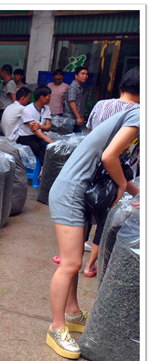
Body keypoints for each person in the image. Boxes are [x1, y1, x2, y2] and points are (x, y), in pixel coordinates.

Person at [46, 106, 139, 359]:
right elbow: (110, 157)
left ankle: (73, 313)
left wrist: (138, 193)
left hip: (83, 192)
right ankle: (56, 328)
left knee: (74, 261)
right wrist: (123, 186)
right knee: (71, 263)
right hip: (70, 193)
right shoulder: (140, 115)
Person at [81, 67, 140, 278]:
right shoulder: (139, 113)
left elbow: (89, 137)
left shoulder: (101, 105)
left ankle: (71, 255)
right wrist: (125, 184)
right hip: (117, 175)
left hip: (90, 171)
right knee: (106, 221)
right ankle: (89, 266)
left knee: (85, 213)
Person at [15, 85, 53, 164]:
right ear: (42, 98)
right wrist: (50, 140)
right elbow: (35, 130)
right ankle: (42, 170)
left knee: (46, 146)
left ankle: (43, 169)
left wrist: (40, 126)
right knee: (39, 149)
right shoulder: (28, 109)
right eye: (48, 96)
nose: (50, 98)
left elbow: (48, 127)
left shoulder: (47, 109)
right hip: (25, 137)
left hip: (37, 136)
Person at [63, 66, 88, 132]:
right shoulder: (73, 88)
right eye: (82, 74)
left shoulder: (79, 87)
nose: (85, 76)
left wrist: (80, 114)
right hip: (71, 119)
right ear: (76, 76)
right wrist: (78, 117)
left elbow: (77, 103)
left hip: (75, 118)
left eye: (86, 74)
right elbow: (72, 103)